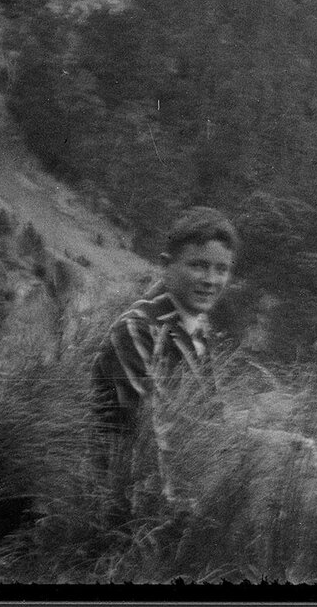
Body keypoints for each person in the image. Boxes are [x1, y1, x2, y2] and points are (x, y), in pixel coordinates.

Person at [91, 206, 238, 502]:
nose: (211, 280)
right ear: (166, 265)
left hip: (176, 489)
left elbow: (211, 420)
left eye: (221, 269)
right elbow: (152, 433)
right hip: (125, 499)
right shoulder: (137, 329)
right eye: (198, 266)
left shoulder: (196, 327)